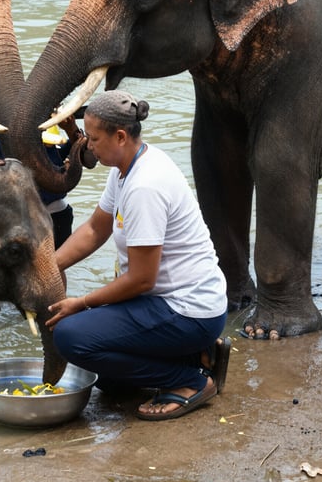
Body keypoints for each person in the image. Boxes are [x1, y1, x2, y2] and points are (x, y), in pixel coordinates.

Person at [45, 90, 230, 421]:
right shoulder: (126, 167)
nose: (88, 146)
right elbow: (95, 229)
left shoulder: (145, 185)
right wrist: (47, 267)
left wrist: (81, 302)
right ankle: (196, 357)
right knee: (110, 380)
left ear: (120, 136)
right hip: (165, 303)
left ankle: (190, 380)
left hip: (186, 310)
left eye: (94, 139)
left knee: (70, 337)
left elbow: (142, 279)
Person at [0, 115, 93, 249]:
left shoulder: (46, 128)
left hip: (53, 214)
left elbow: (84, 159)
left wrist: (71, 129)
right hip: (2, 220)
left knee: (58, 261)